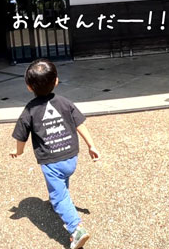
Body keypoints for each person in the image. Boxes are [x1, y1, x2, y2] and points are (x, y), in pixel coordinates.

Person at [10, 58, 100, 249]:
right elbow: (80, 124)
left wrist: (18, 152)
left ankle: (77, 230)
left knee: (58, 196)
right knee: (61, 186)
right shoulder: (65, 103)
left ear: (28, 87)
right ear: (56, 81)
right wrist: (92, 145)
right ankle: (60, 200)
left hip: (52, 161)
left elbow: (21, 137)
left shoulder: (30, 111)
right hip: (71, 157)